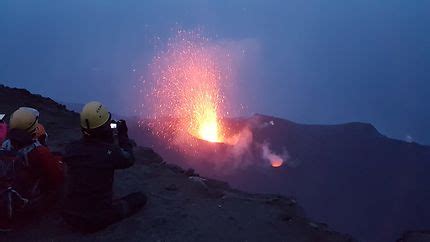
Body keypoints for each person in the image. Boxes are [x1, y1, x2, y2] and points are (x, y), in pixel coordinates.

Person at [62, 101, 147, 233]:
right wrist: (123, 135)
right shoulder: (110, 153)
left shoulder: (71, 148)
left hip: (69, 214)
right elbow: (129, 159)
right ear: (105, 128)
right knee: (140, 198)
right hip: (95, 219)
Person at [0, 107, 64, 231]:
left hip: (8, 194)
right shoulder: (39, 152)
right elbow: (57, 178)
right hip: (24, 203)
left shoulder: (4, 145)